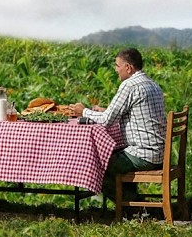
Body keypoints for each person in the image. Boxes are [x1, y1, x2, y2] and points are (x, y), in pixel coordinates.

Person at [69, 48, 166, 195]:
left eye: (117, 65)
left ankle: (134, 207)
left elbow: (107, 121)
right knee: (113, 156)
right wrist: (105, 111)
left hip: (143, 155)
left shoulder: (130, 85)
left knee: (96, 164)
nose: (116, 69)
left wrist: (83, 111)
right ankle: (133, 204)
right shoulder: (152, 84)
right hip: (160, 153)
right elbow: (130, 112)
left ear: (128, 67)